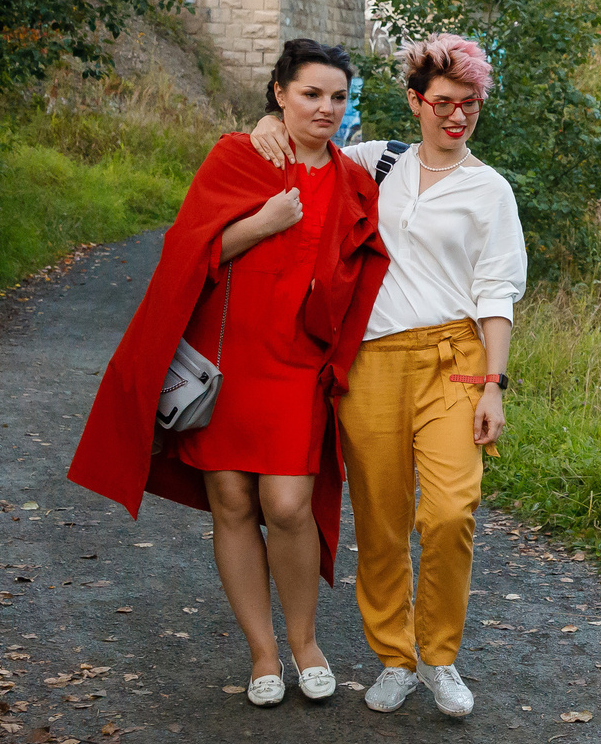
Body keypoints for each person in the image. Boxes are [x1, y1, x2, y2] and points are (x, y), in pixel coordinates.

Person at [69, 39, 390, 707]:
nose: (325, 107)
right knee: (235, 503)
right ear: (279, 92)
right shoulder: (239, 155)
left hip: (297, 367)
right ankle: (264, 652)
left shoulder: (355, 177)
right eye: (310, 94)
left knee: (287, 504)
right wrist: (262, 223)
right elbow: (188, 250)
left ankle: (305, 640)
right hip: (227, 363)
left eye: (338, 97)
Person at [249, 33, 524, 721]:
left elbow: (496, 294)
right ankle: (395, 657)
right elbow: (307, 148)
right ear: (415, 101)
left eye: (470, 104)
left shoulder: (490, 190)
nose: (457, 116)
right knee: (380, 516)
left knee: (451, 509)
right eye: (443, 102)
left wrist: (494, 382)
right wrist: (265, 122)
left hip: (455, 361)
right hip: (372, 360)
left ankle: (438, 654)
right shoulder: (376, 163)